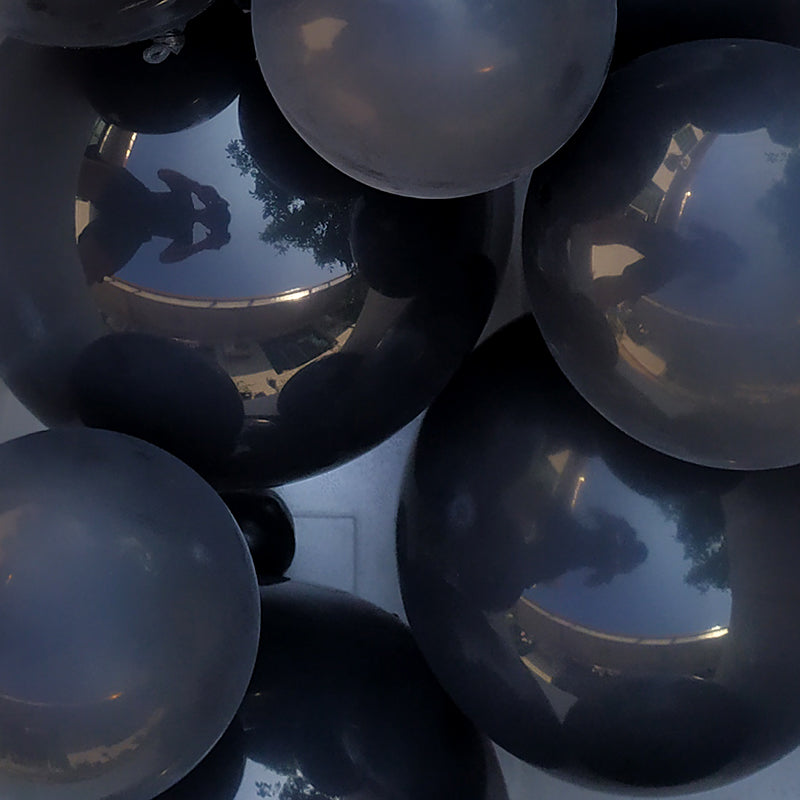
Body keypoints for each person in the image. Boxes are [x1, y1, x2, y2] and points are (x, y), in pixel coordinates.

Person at [77, 156, 231, 284]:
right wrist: (197, 188)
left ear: (210, 227)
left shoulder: (185, 235)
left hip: (133, 231)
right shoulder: (185, 197)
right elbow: (163, 174)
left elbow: (166, 257)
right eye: (214, 212)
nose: (210, 216)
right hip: (135, 198)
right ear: (209, 206)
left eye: (215, 220)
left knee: (88, 270)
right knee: (80, 173)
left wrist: (203, 245)